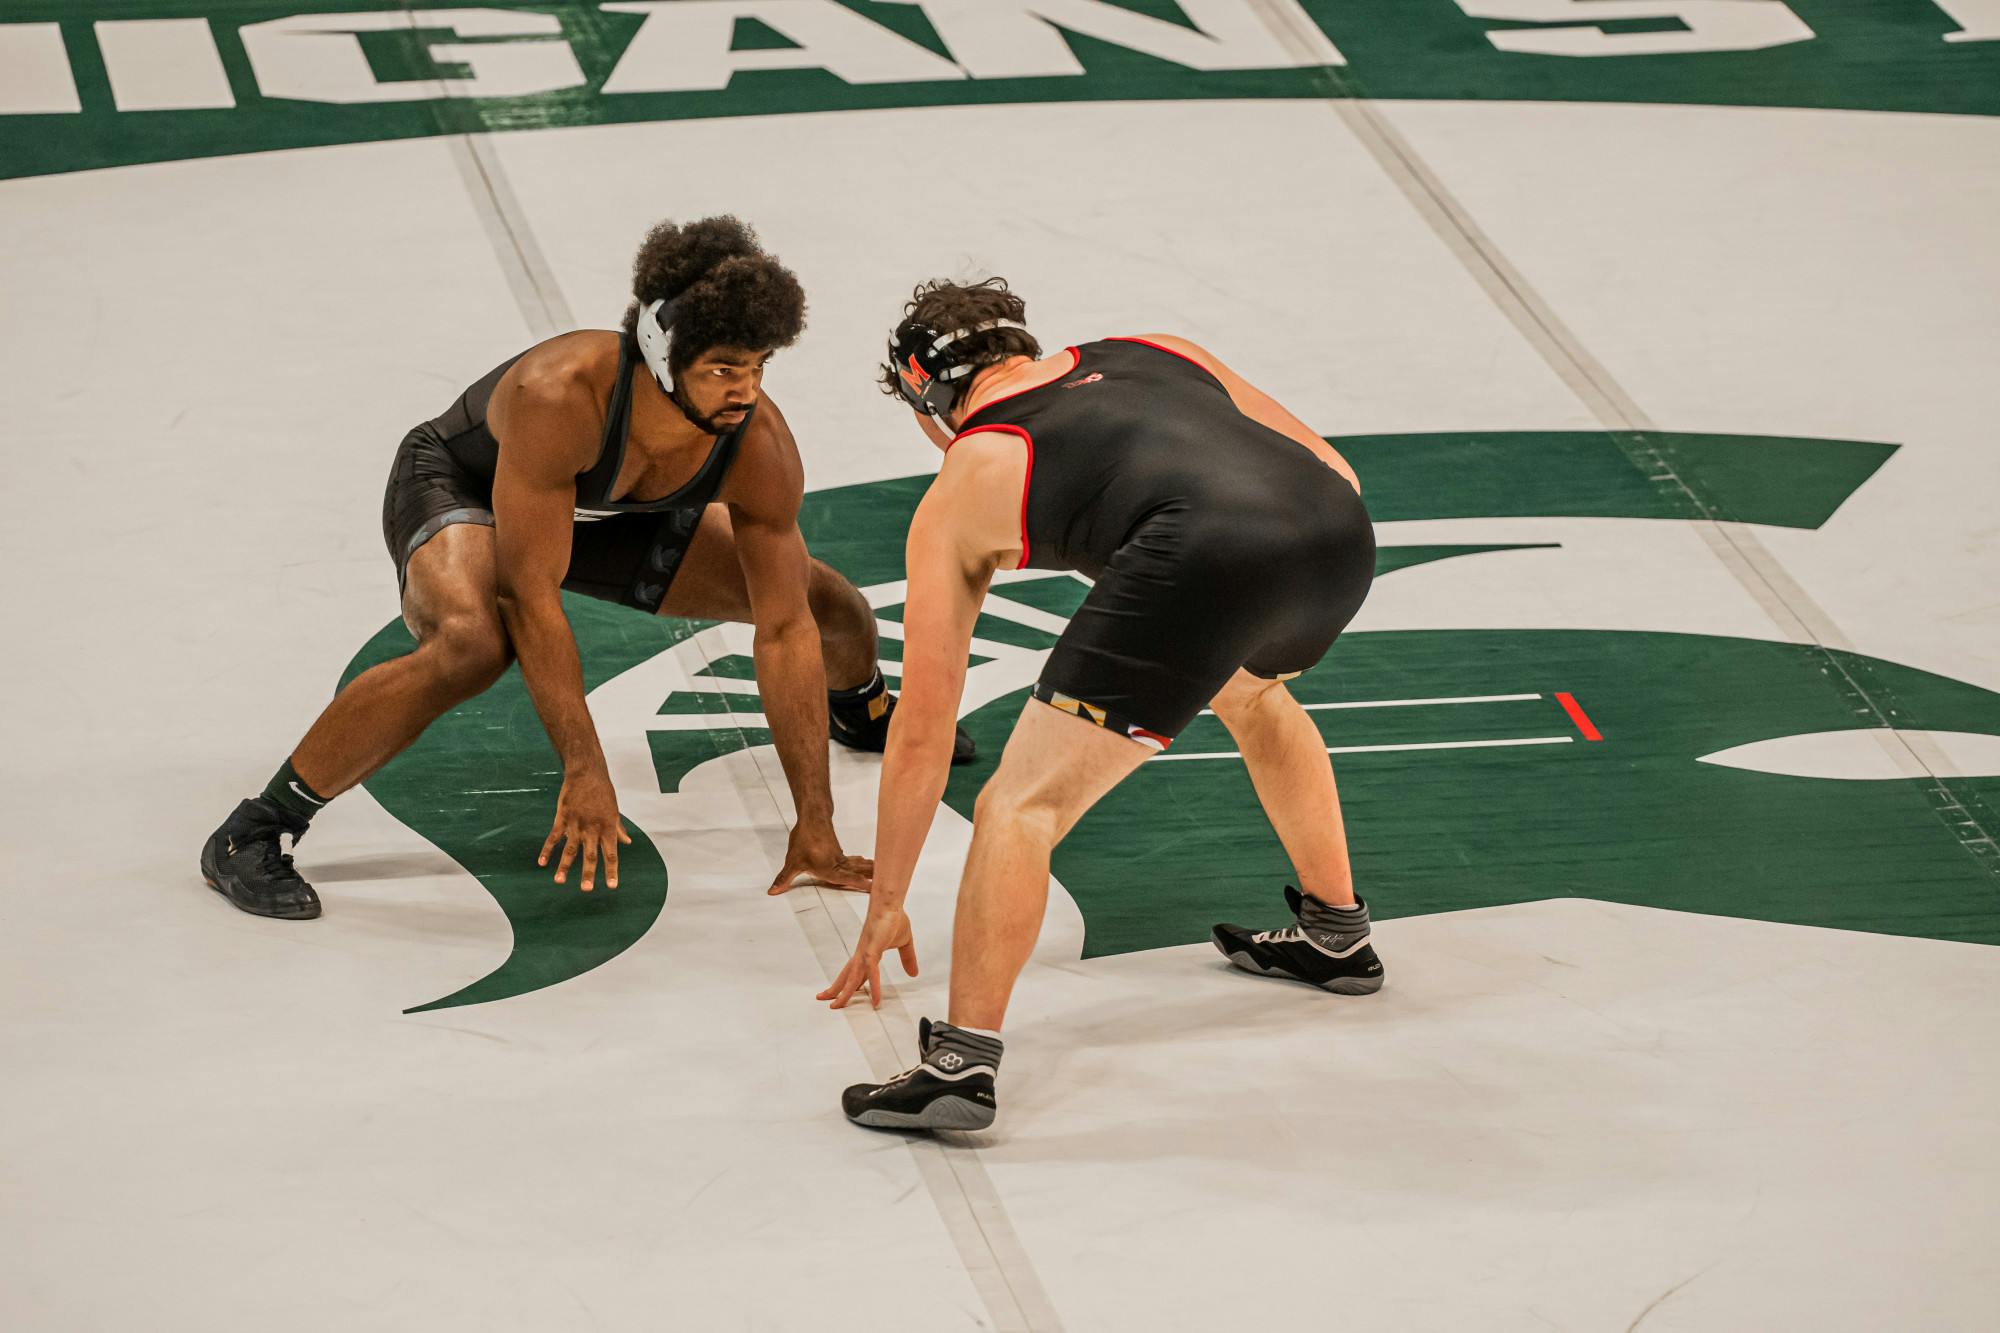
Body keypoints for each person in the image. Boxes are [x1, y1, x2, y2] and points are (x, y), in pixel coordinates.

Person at [199, 217, 971, 921]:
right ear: (665, 356)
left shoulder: (756, 440)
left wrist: (817, 824)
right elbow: (527, 593)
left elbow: (782, 626)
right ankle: (256, 829)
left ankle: (863, 711)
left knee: (827, 605)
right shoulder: (558, 396)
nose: (748, 389)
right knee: (472, 642)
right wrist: (585, 764)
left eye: (760, 365)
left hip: (610, 512)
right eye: (725, 369)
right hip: (471, 488)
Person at [820, 278, 1379, 1131]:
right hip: (1339, 536)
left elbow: (924, 725)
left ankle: (960, 1064)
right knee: (1252, 690)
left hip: (1205, 553)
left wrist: (887, 895)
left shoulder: (974, 467)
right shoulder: (1159, 350)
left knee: (1020, 803)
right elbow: (1328, 464)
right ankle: (1337, 930)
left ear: (926, 398)